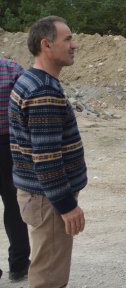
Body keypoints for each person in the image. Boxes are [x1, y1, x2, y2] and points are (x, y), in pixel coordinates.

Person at [9, 16, 87, 287]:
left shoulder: (32, 80)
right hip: (49, 201)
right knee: (49, 278)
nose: (74, 45)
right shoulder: (43, 90)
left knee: (47, 270)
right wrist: (67, 207)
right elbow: (47, 159)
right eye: (67, 39)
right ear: (46, 45)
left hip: (40, 196)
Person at [0, 57, 30, 282]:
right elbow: (25, 107)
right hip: (9, 147)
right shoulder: (12, 69)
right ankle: (19, 266)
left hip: (9, 144)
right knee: (14, 206)